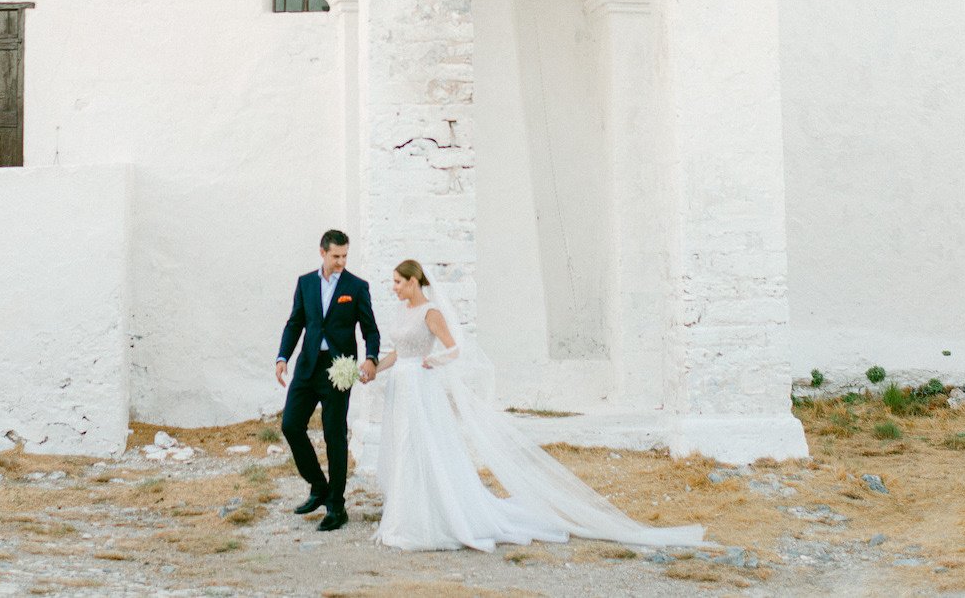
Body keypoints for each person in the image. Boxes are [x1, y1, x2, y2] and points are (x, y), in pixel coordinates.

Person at [373, 259, 706, 554]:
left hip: (422, 386)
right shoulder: (402, 311)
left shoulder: (431, 313)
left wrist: (435, 360)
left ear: (414, 281)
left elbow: (454, 349)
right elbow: (397, 352)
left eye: (398, 282)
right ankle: (406, 518)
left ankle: (437, 519)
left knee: (427, 448)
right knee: (405, 447)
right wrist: (373, 369)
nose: (395, 287)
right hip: (401, 387)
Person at [276, 229, 380, 532]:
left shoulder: (356, 287)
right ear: (322, 253)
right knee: (291, 425)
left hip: (339, 370)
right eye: (336, 256)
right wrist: (282, 357)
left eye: (345, 256)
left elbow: (370, 330)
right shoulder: (305, 283)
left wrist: (371, 358)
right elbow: (295, 322)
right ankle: (318, 485)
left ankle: (337, 505)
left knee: (335, 436)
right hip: (307, 366)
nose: (341, 262)